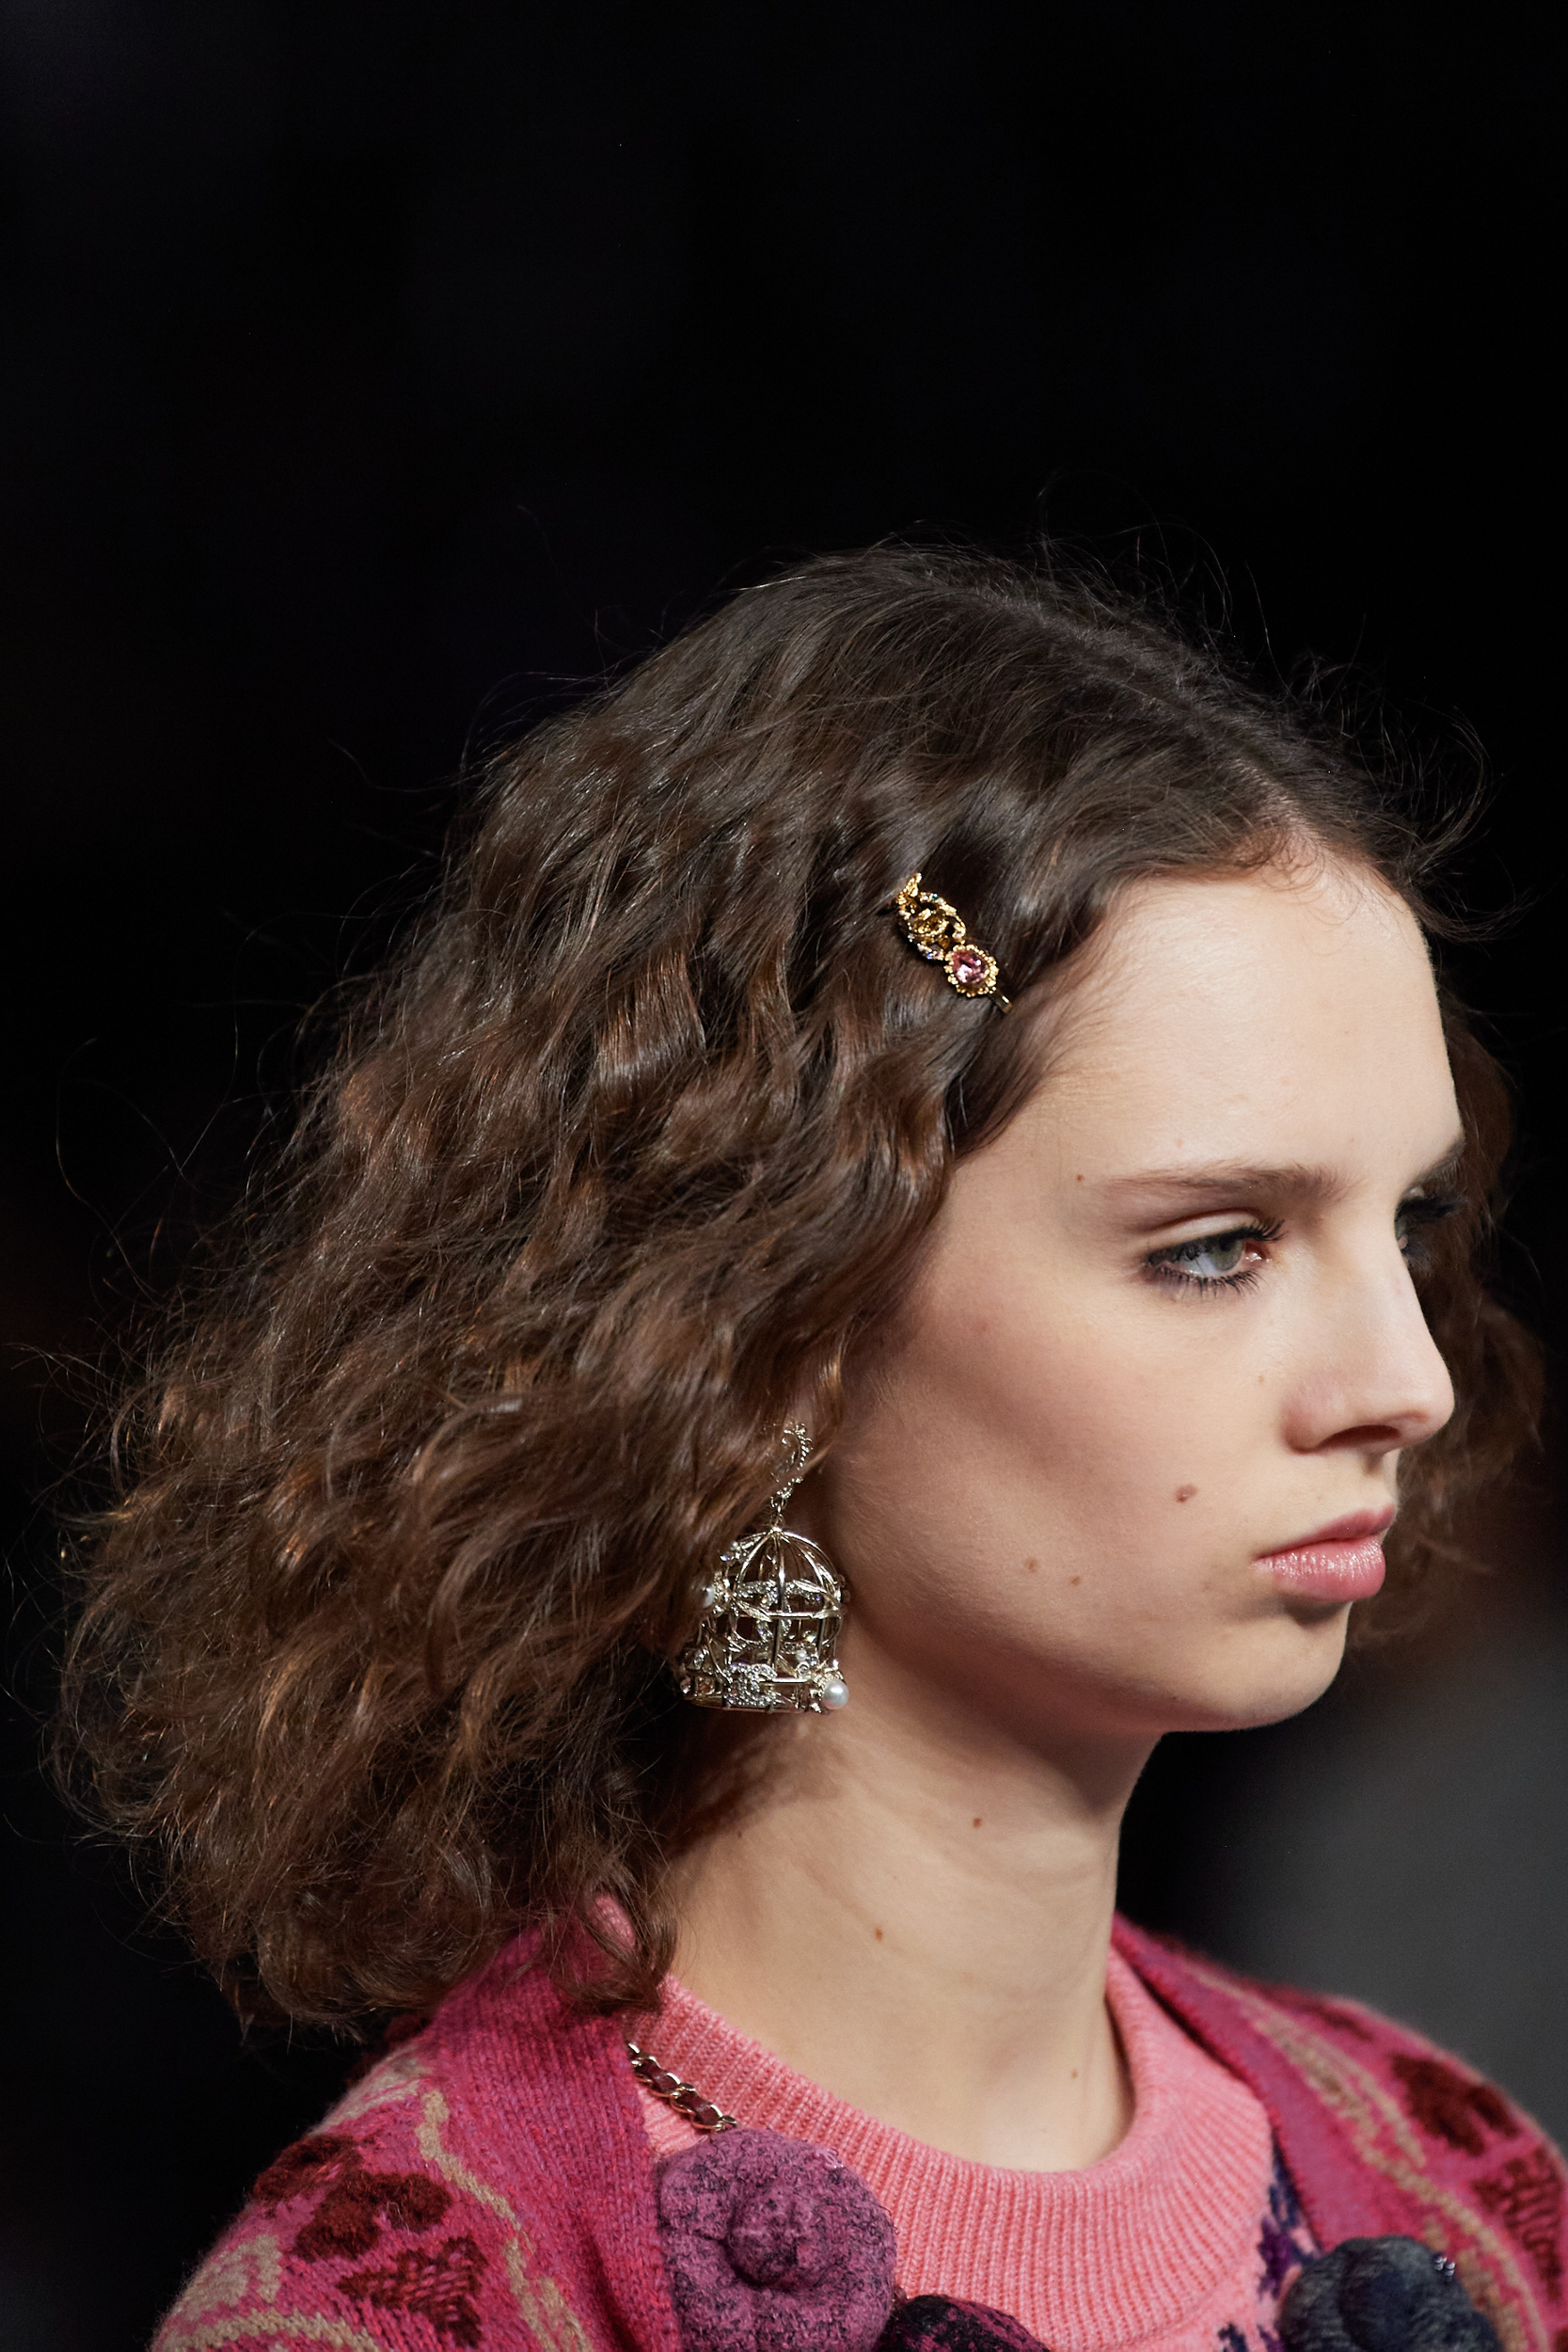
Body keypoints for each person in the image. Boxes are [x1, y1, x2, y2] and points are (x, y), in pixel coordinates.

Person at [64, 547, 1557, 2352]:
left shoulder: (1462, 2191)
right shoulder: (424, 2297)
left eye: (1408, 1226)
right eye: (1215, 1248)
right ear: (772, 1315)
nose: (1409, 1379)